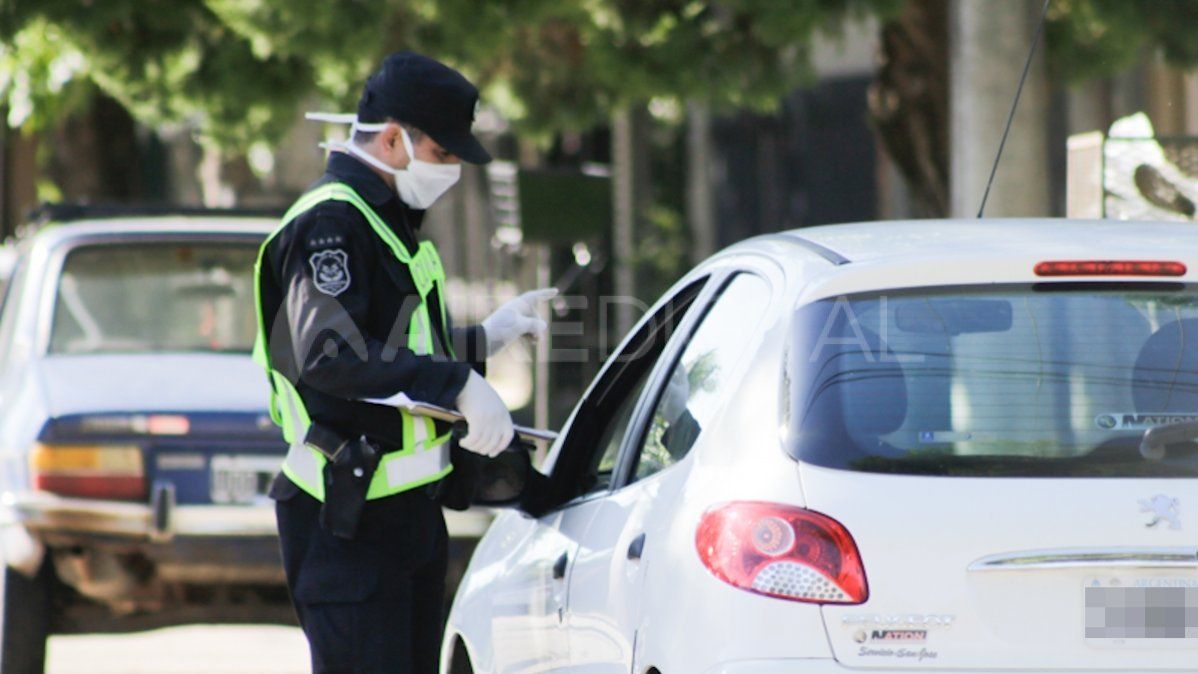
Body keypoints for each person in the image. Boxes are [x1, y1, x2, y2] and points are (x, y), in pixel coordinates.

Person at [252, 51, 554, 673]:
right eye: (442, 154)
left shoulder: (383, 218)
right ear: (393, 139)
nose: (451, 171)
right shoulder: (332, 222)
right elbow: (331, 356)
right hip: (348, 522)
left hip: (403, 516)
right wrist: (457, 383)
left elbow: (395, 345)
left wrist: (484, 340)